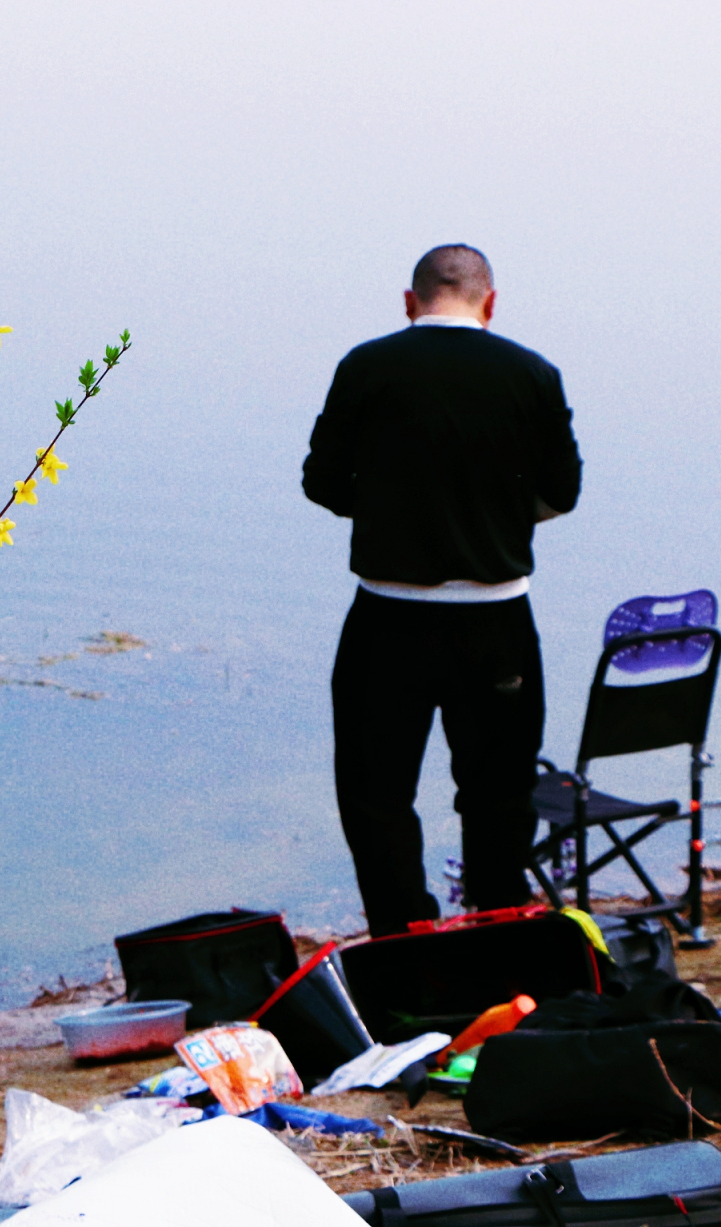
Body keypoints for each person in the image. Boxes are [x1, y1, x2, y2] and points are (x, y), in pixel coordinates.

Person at [301, 244, 581, 937]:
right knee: (497, 793)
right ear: (490, 303)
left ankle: (403, 933)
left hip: (387, 617)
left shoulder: (367, 367)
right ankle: (494, 925)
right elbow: (562, 493)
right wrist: (503, 513)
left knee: (375, 792)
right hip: (497, 620)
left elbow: (322, 482)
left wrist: (388, 509)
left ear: (409, 301)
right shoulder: (532, 374)